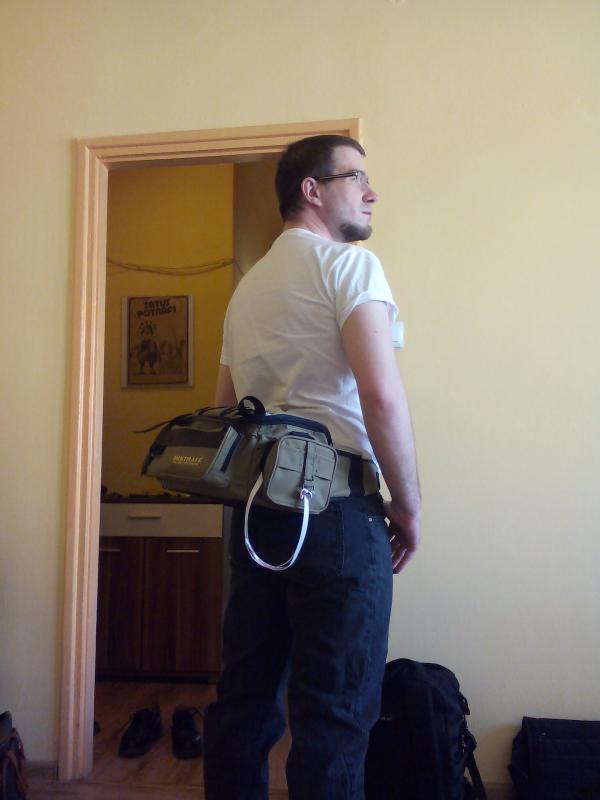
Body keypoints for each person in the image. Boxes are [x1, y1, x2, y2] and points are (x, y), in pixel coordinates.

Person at [203, 134, 421, 800]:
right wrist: (408, 507)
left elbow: (223, 409)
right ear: (312, 190)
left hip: (256, 512)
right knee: (333, 716)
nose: (371, 192)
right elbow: (381, 397)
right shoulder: (351, 267)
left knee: (244, 703)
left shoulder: (247, 291)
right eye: (356, 177)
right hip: (336, 511)